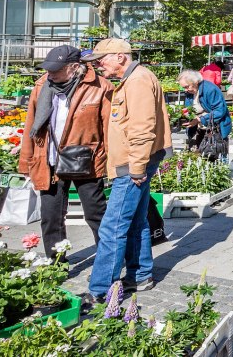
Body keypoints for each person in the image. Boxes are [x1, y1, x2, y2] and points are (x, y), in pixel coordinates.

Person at [83, 39, 171, 302]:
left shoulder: (138, 81)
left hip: (132, 164)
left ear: (120, 56)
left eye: (101, 59)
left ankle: (101, 289)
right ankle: (140, 275)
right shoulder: (134, 79)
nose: (97, 65)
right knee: (136, 219)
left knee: (113, 226)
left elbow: (143, 128)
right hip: (134, 161)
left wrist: (136, 167)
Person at [20, 45, 110, 262]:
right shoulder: (43, 85)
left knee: (95, 215)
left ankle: (107, 262)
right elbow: (31, 124)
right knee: (51, 217)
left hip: (86, 160)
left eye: (56, 69)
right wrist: (26, 162)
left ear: (73, 67)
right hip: (49, 159)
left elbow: (109, 128)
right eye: (48, 68)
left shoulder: (100, 86)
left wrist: (111, 162)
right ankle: (56, 263)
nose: (50, 73)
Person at [177, 69, 232, 158]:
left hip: (216, 129)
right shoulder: (190, 92)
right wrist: (184, 113)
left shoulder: (210, 89)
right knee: (200, 156)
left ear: (195, 82)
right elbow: (188, 107)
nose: (185, 90)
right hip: (200, 129)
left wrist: (200, 119)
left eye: (187, 87)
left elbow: (220, 110)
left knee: (215, 156)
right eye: (183, 87)